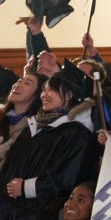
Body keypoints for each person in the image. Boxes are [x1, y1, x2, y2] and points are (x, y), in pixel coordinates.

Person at [1, 67, 99, 209]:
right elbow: (8, 169)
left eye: (52, 90)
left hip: (43, 216)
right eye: (44, 90)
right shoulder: (33, 128)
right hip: (11, 212)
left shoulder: (77, 134)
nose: (45, 95)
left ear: (68, 95)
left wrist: (26, 188)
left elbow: (68, 179)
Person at [0, 74, 47, 168]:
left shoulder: (35, 127)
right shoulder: (2, 116)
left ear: (36, 95)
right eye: (19, 81)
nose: (18, 85)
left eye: (27, 83)